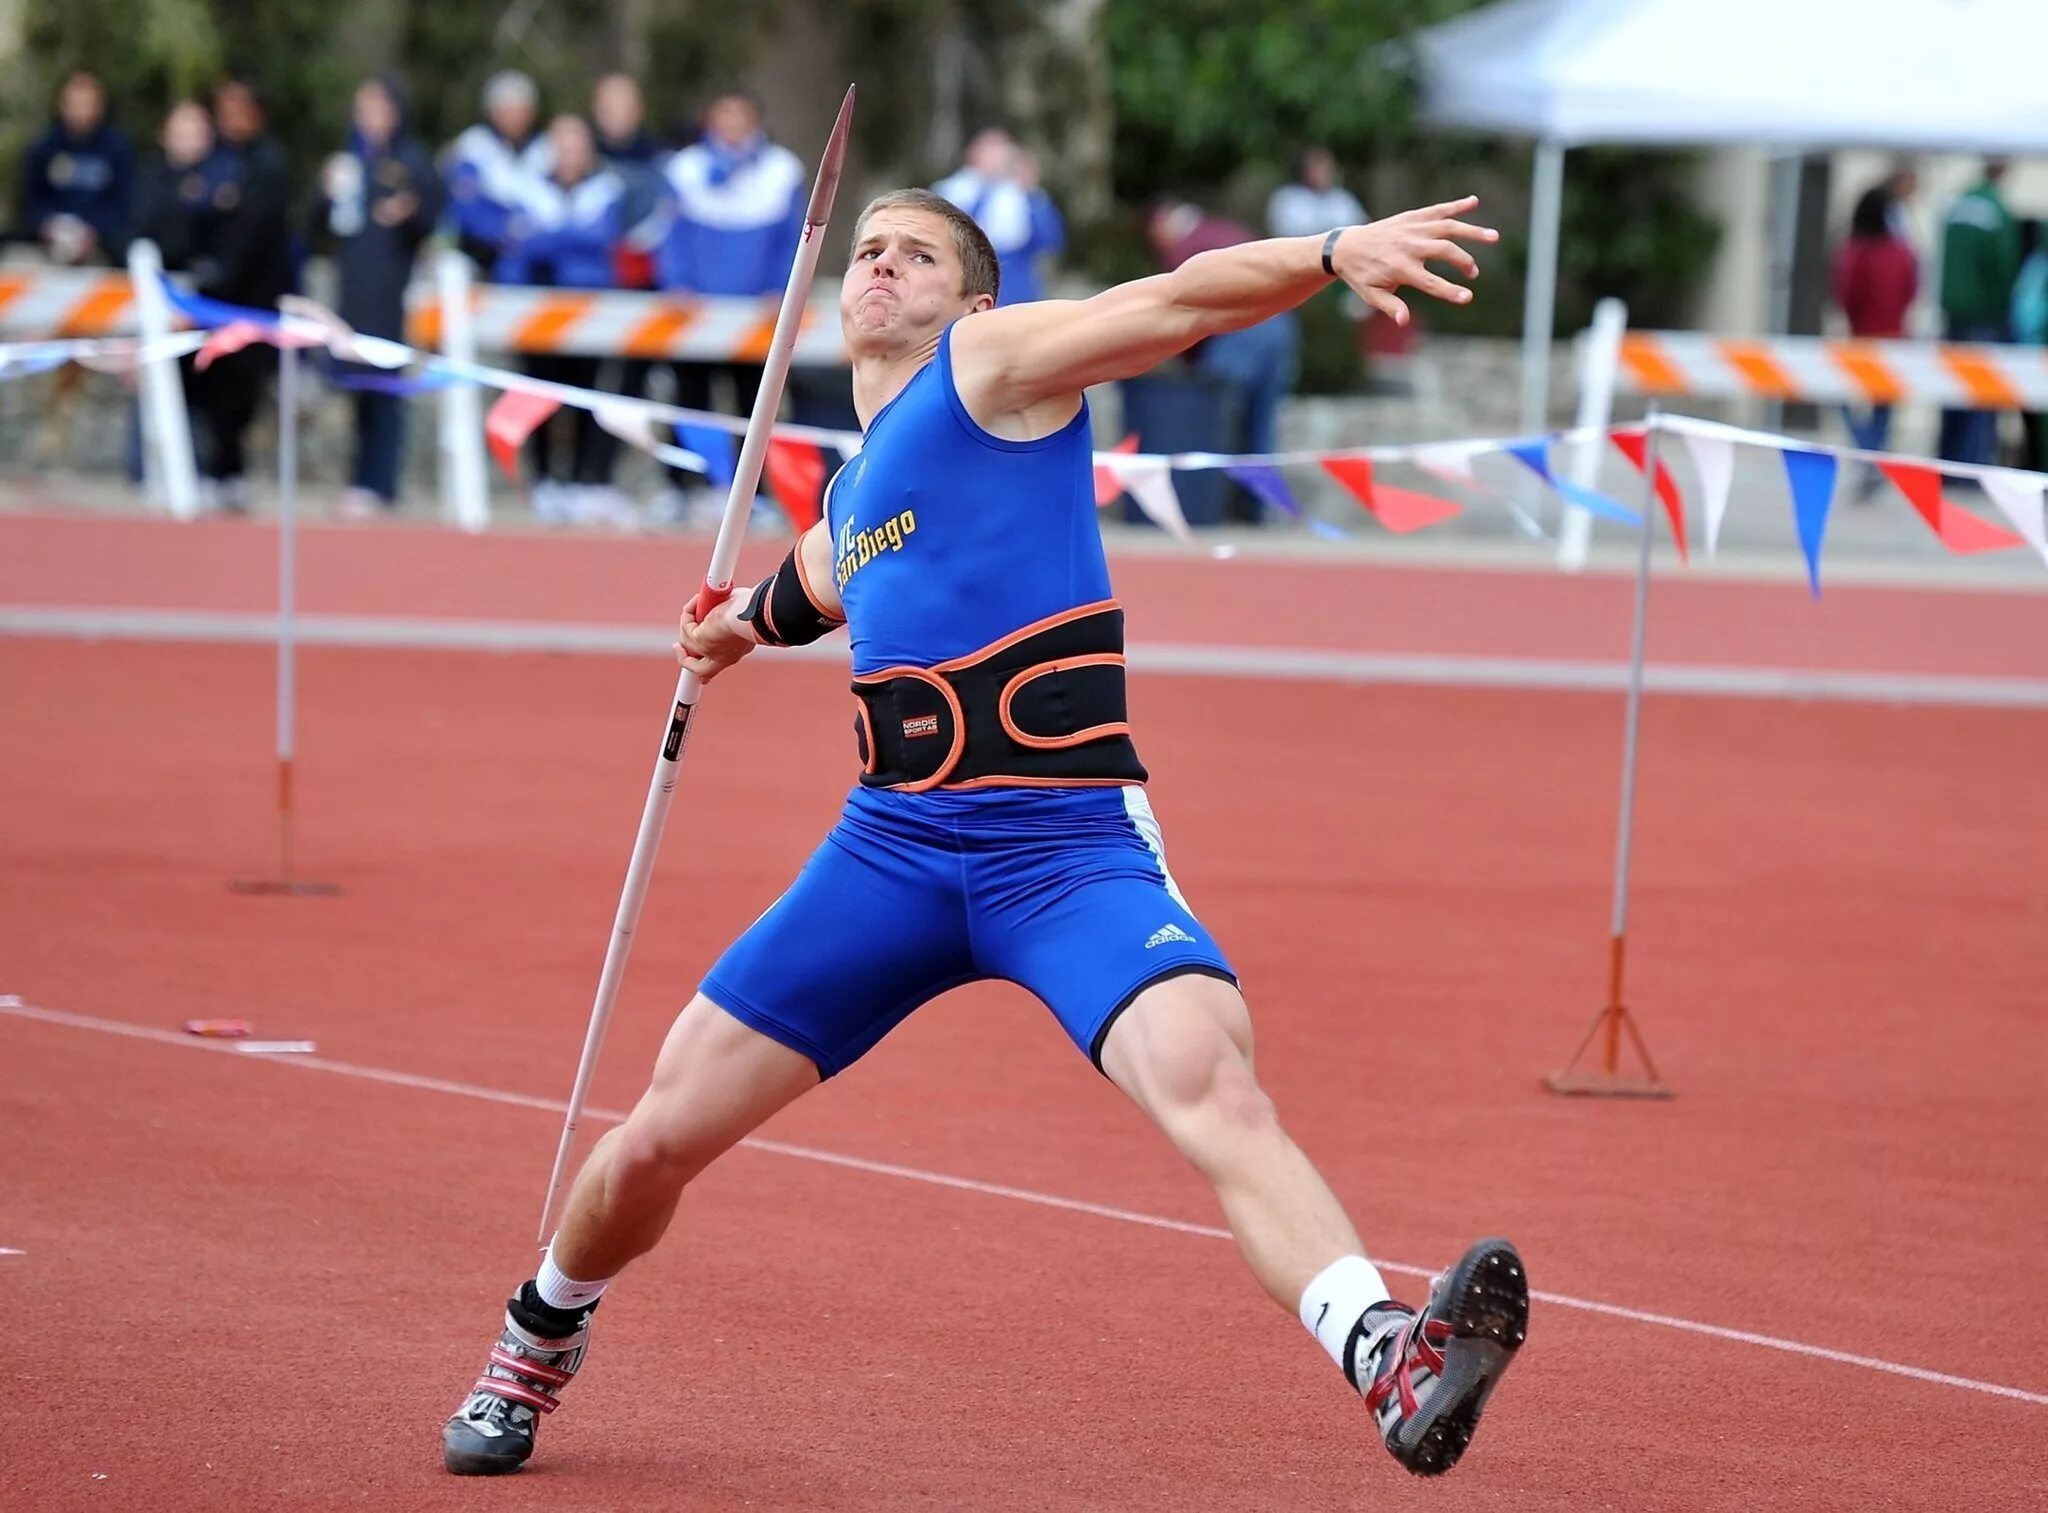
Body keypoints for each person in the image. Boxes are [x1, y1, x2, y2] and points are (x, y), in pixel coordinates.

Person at [441, 188, 1526, 1483]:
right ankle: (537, 1332)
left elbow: (1171, 304)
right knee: (663, 1129)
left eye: (918, 253)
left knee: (1213, 1080)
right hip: (889, 856)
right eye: (868, 253)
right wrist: (736, 624)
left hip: (1062, 849)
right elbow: (820, 579)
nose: (883, 267)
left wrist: (1334, 254)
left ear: (975, 300)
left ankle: (1388, 1352)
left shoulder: (993, 370)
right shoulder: (855, 487)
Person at [651, 89, 806, 523]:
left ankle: (752, 495)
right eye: (725, 115)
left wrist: (781, 288)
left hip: (756, 312)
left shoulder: (780, 171)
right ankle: (682, 486)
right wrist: (676, 283)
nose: (733, 124)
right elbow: (671, 234)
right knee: (689, 399)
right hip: (696, 310)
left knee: (753, 404)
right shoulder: (685, 170)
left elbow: (794, 237)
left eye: (741, 115)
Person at [311, 77, 442, 516]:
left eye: (378, 107)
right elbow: (319, 229)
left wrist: (409, 213)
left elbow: (431, 217)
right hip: (352, 291)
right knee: (358, 387)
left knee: (387, 385)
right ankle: (361, 479)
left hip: (392, 293)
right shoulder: (348, 161)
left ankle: (380, 481)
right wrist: (323, 193)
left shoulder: (411, 161)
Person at [495, 113, 626, 522]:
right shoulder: (528, 188)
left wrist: (548, 238)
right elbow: (519, 249)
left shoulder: (606, 190)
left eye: (577, 144)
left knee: (587, 395)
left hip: (590, 310)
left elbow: (601, 243)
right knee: (537, 395)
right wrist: (567, 239)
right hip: (538, 312)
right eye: (562, 144)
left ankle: (581, 482)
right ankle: (545, 479)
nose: (570, 153)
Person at [1147, 199, 1300, 515]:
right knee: (1261, 425)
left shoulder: (1185, 249)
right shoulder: (1227, 230)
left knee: (1213, 420)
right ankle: (1256, 512)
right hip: (1280, 324)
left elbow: (1184, 311)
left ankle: (1209, 507)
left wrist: (1180, 358)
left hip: (1240, 330)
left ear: (1161, 224)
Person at [186, 78, 294, 512]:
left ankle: (232, 472)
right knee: (205, 382)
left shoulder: (268, 164)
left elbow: (258, 225)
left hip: (253, 296)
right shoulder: (210, 158)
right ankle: (205, 469)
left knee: (244, 388)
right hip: (206, 296)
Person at [1830, 175, 1918, 493]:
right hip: (1895, 332)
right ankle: (1873, 457)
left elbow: (1846, 291)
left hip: (1863, 333)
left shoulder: (1857, 249)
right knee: (1883, 406)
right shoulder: (1901, 251)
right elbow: (1912, 287)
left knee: (1840, 397)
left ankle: (1866, 454)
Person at [1937, 157, 2022, 467]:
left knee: (1951, 392)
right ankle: (1971, 466)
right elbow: (2002, 264)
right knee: (1981, 395)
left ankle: (1946, 463)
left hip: (1953, 309)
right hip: (1985, 312)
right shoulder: (1997, 208)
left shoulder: (1957, 203)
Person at [932, 127, 1065, 307]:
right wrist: (988, 191)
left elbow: (1050, 241)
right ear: (974, 154)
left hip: (1016, 287)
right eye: (991, 153)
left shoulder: (1020, 195)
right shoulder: (954, 190)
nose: (997, 160)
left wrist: (1031, 192)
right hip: (966, 284)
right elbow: (958, 230)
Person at [18, 70, 133, 265]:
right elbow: (29, 200)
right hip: (47, 243)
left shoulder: (117, 148)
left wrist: (94, 232)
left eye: (88, 104)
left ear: (99, 107)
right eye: (75, 104)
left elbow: (123, 204)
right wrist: (47, 226)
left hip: (100, 247)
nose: (82, 111)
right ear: (63, 106)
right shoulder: (43, 147)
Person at [444, 71, 544, 279]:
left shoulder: (545, 149)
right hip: (483, 250)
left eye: (522, 109)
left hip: (534, 247)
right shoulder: (472, 146)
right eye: (509, 109)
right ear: (494, 111)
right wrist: (505, 232)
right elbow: (467, 208)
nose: (517, 117)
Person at [1266, 146, 1367, 240]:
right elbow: (1285, 232)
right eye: (1317, 167)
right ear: (1305, 169)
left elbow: (1360, 228)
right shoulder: (1287, 198)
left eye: (1326, 167)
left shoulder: (1343, 199)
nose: (1323, 172)